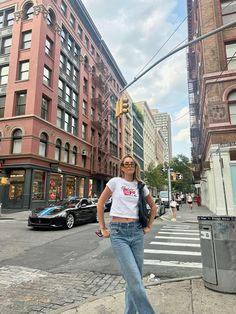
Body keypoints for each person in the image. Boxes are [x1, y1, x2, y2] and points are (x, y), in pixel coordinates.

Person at [96, 154, 156, 314]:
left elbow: (153, 207)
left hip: (136, 232)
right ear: (122, 167)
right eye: (126, 163)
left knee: (133, 279)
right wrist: (103, 228)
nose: (129, 166)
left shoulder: (141, 186)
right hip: (118, 232)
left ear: (135, 167)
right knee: (135, 279)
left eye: (132, 164)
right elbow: (100, 203)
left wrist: (149, 226)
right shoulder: (115, 182)